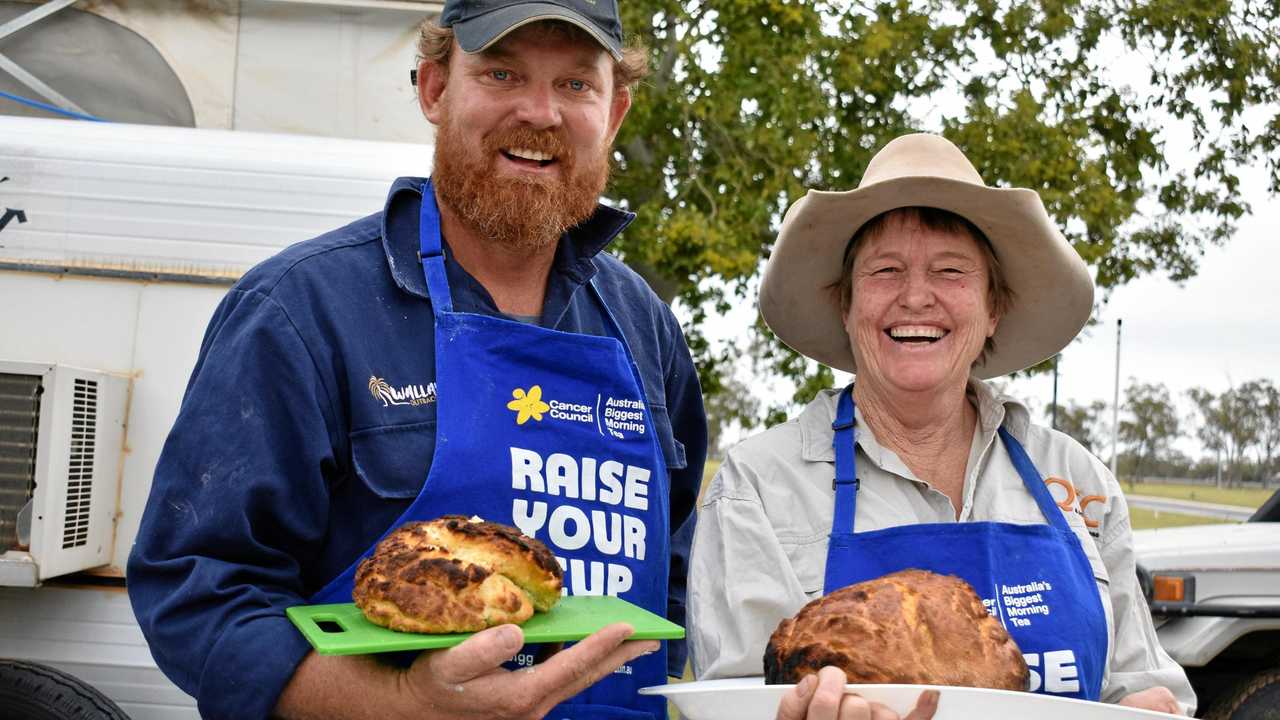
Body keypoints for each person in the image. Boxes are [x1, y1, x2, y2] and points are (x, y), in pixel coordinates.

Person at [127, 2, 706, 719]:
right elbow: (198, 590)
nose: (540, 112)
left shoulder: (643, 325)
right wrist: (400, 703)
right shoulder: (302, 310)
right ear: (435, 89)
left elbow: (673, 572)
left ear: (613, 112)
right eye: (502, 71)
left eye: (575, 85)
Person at [688, 133, 1194, 719]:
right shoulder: (759, 485)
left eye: (951, 271)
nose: (916, 297)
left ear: (992, 309)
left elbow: (1140, 686)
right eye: (885, 270)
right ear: (846, 307)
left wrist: (1155, 709)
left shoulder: (1076, 478)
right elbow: (735, 704)